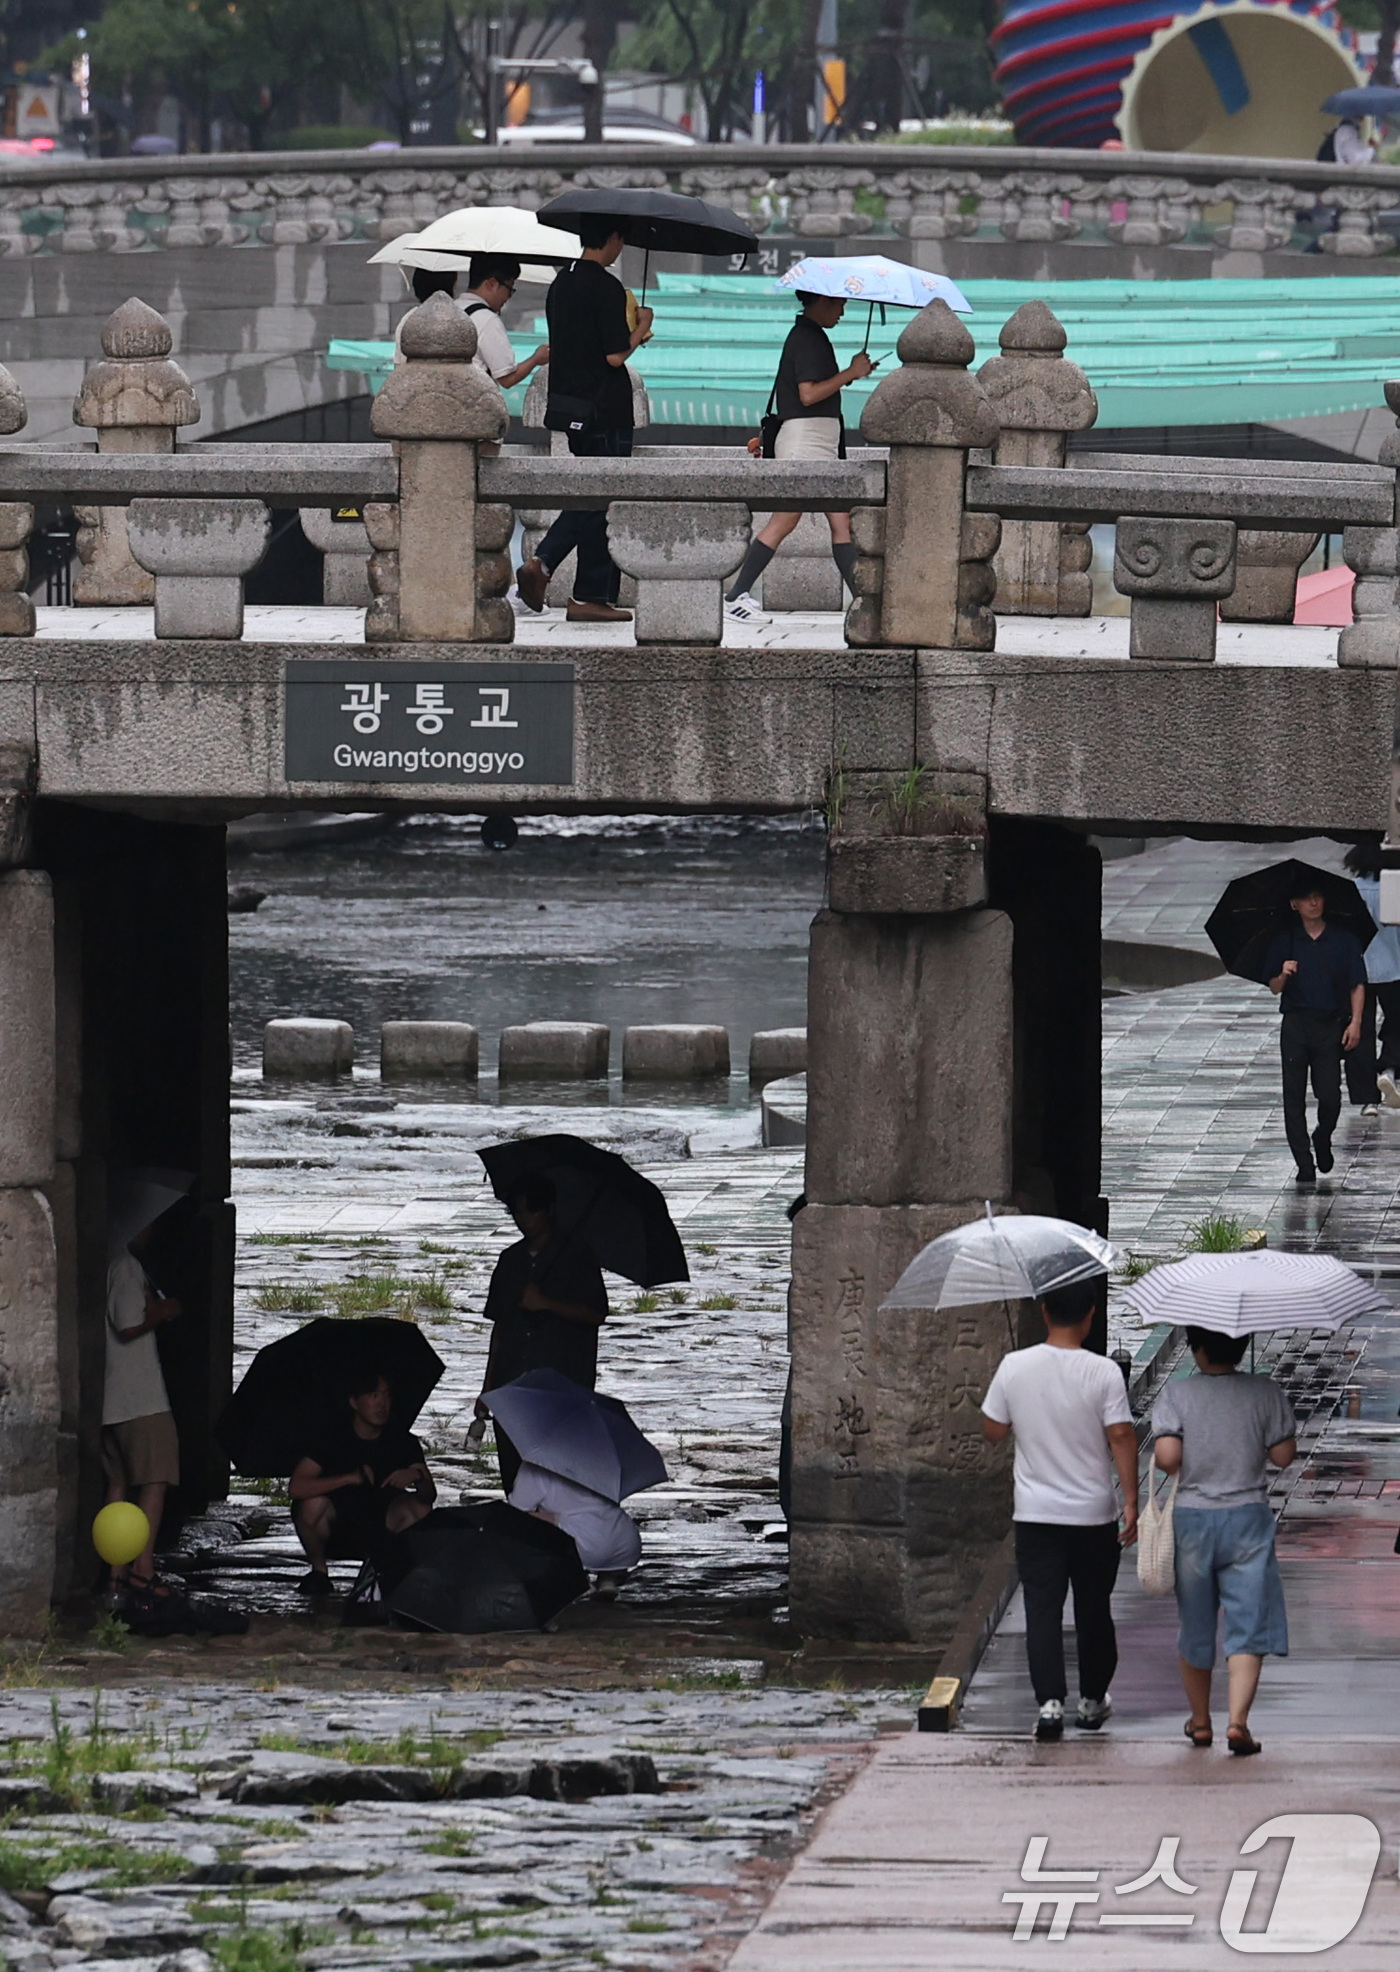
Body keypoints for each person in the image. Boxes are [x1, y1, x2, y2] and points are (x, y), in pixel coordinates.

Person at [981, 1278, 1138, 1742]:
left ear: (1044, 1312)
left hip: (1035, 1515)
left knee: (1042, 1610)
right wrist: (1130, 1500)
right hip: (1093, 1514)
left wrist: (1012, 1401)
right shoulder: (1104, 1372)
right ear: (1091, 1316)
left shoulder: (1014, 1366)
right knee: (1093, 1609)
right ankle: (1092, 1700)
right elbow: (1121, 1436)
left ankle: (1049, 1704)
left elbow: (992, 1430)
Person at [1151, 1326, 1296, 1756]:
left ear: (1195, 1349)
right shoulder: (1265, 1391)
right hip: (1247, 1516)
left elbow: (1168, 1459)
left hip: (1193, 1519)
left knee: (1195, 1622)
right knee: (1248, 1622)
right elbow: (1283, 1456)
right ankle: (1237, 1722)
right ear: (1243, 1345)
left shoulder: (1177, 1396)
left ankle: (1199, 1722)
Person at [514, 220, 653, 625]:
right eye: (621, 237)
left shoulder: (562, 283)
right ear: (611, 237)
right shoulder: (606, 287)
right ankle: (581, 590)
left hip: (569, 405)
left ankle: (552, 571)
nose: (622, 245)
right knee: (600, 499)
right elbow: (613, 355)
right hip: (604, 408)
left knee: (591, 496)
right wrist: (641, 327)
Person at [724, 292, 874, 623]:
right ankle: (736, 595)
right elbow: (808, 394)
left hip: (817, 439)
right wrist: (851, 372)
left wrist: (852, 373)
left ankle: (864, 605)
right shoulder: (807, 337)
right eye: (839, 305)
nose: (842, 313)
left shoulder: (809, 336)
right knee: (787, 518)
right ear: (822, 300)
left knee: (840, 520)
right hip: (806, 440)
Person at [474, 1174, 609, 1493]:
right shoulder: (510, 1260)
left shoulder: (578, 1257)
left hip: (561, 1378)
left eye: (531, 1211)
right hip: (513, 1377)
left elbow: (595, 1313)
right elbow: (500, 1326)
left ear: (549, 1210)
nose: (525, 1220)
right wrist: (488, 1385)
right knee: (513, 1468)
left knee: (556, 1471)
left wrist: (547, 1304)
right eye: (518, 1212)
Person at [103, 1187, 186, 1619]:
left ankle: (115, 1575)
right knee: (155, 1481)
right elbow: (129, 1325)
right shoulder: (127, 1266)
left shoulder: (106, 1263)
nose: (154, 1229)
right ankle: (142, 1568)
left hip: (113, 1399)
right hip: (140, 1399)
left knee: (119, 1487)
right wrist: (164, 1311)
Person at [289, 1366, 436, 1595]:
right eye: (373, 1396)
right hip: (338, 1524)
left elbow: (429, 1496)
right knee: (311, 1506)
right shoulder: (331, 1437)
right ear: (355, 1402)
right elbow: (297, 1487)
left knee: (420, 1509)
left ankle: (393, 1570)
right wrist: (348, 1479)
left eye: (386, 1395)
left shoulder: (401, 1440)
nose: (382, 1404)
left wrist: (417, 1476)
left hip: (383, 1524)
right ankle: (319, 1572)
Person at [1264, 880, 1365, 1186]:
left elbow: (1357, 983)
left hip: (1329, 1025)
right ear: (1294, 904)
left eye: (1318, 897)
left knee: (1331, 1096)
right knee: (1293, 1096)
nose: (1313, 902)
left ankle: (1322, 1136)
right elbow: (1273, 987)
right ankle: (1304, 1163)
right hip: (1295, 1023)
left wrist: (1356, 1022)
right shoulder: (1286, 940)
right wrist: (1284, 974)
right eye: (1306, 898)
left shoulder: (1344, 940)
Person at [510, 1460, 641, 1600]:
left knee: (520, 1521)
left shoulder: (536, 1465)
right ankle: (608, 1579)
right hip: (626, 1540)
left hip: (587, 1545)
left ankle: (575, 1580)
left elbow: (516, 1510)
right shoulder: (599, 1458)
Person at [1342, 839, 1400, 1113]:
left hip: (1359, 970)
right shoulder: (1395, 890)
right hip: (1395, 967)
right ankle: (1389, 1067)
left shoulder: (1351, 891)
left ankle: (1366, 1099)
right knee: (1397, 1022)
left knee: (1358, 1029)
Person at [458, 253, 549, 391]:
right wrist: (536, 358)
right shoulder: (487, 319)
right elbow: (507, 378)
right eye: (509, 289)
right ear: (492, 284)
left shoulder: (453, 308)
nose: (508, 297)